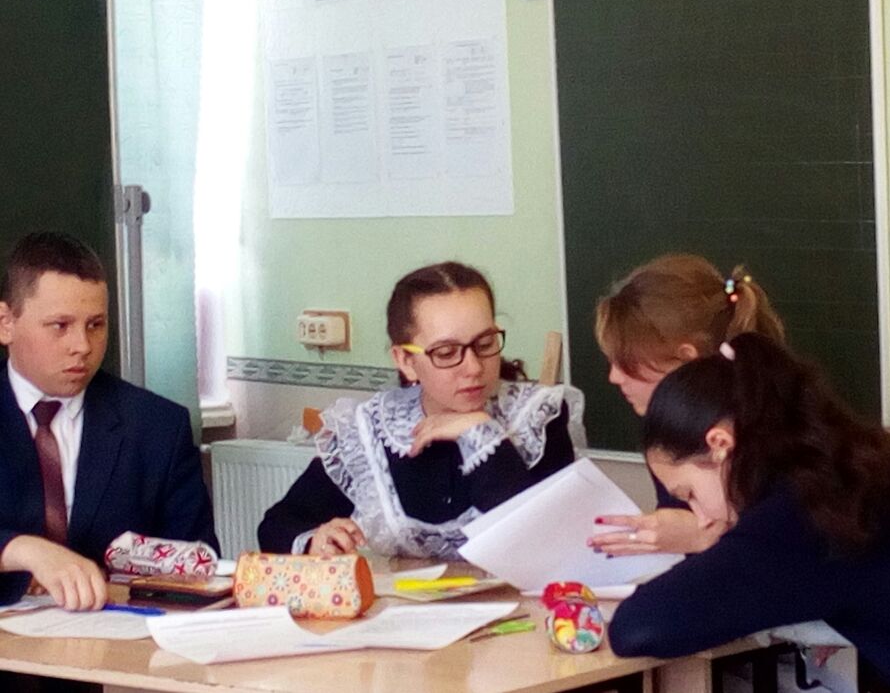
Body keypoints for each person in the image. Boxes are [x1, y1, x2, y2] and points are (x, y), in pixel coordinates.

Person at [608, 332, 890, 692]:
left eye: (688, 493)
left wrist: (711, 542)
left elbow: (636, 628)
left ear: (720, 444)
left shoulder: (794, 521)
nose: (700, 515)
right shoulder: (884, 463)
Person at [258, 261, 584, 559]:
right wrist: (316, 540)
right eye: (446, 352)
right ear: (405, 360)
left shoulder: (537, 418)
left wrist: (480, 432)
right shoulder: (371, 429)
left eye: (485, 344)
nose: (473, 367)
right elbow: (276, 525)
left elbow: (540, 544)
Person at [0, 232, 219, 610]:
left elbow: (197, 568)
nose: (82, 346)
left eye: (95, 325)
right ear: (6, 323)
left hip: (117, 636)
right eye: (60, 325)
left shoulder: (157, 428)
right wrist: (21, 550)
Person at [588, 253, 783, 556]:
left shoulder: (770, 439)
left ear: (685, 360)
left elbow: (778, 558)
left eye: (626, 362)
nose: (614, 377)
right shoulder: (671, 432)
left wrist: (705, 537)